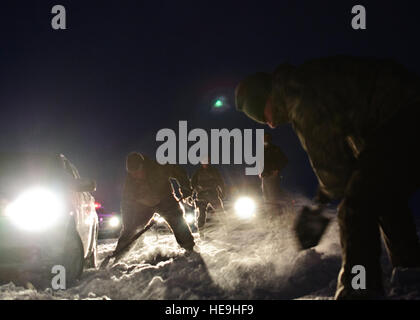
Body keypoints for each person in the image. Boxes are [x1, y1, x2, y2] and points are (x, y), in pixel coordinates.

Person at [235, 56, 420, 299]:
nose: (269, 125)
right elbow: (347, 157)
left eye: (263, 115)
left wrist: (321, 203)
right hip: (401, 117)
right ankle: (411, 274)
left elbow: (333, 169)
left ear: (268, 98)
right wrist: (323, 197)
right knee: (382, 197)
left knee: (357, 207)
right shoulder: (303, 84)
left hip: (405, 118)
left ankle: (359, 292)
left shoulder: (300, 96)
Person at [112, 152, 195, 259]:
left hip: (165, 199)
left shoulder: (158, 167)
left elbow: (178, 171)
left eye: (137, 172)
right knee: (131, 229)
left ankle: (189, 248)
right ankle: (119, 255)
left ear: (143, 166)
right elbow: (126, 204)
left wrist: (185, 187)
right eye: (132, 173)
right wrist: (128, 225)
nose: (135, 175)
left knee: (177, 220)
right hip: (144, 206)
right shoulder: (130, 181)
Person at [191, 162, 226, 229]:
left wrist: (223, 191)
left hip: (212, 194)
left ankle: (227, 228)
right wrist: (191, 194)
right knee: (201, 214)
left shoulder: (214, 171)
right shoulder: (198, 172)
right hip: (201, 195)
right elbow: (193, 184)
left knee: (220, 211)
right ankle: (201, 232)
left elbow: (220, 181)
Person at [261, 132, 288, 213]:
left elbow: (284, 160)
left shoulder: (275, 149)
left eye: (266, 137)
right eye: (263, 138)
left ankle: (278, 214)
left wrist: (277, 169)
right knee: (266, 196)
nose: (264, 139)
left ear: (269, 139)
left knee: (273, 196)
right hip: (264, 176)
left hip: (272, 176)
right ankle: (271, 215)